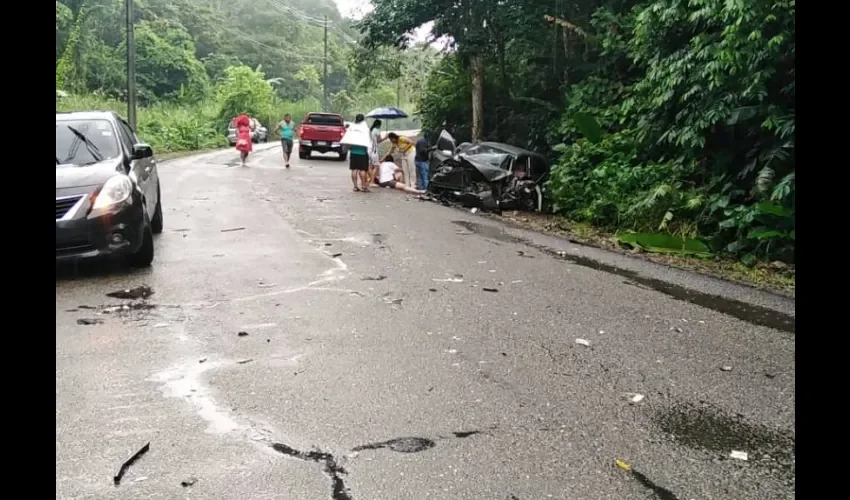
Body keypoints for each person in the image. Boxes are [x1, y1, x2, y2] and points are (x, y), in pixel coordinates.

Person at [348, 114, 371, 192]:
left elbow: (348, 138)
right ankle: (364, 186)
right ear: (363, 119)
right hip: (362, 152)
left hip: (353, 151)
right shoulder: (365, 128)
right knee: (362, 170)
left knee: (354, 169)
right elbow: (369, 140)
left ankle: (355, 186)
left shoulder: (352, 128)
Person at [368, 119, 384, 185]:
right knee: (376, 166)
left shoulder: (370, 130)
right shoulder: (377, 130)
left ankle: (371, 180)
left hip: (369, 149)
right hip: (374, 150)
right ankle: (372, 182)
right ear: (379, 125)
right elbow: (379, 140)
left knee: (369, 166)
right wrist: (386, 137)